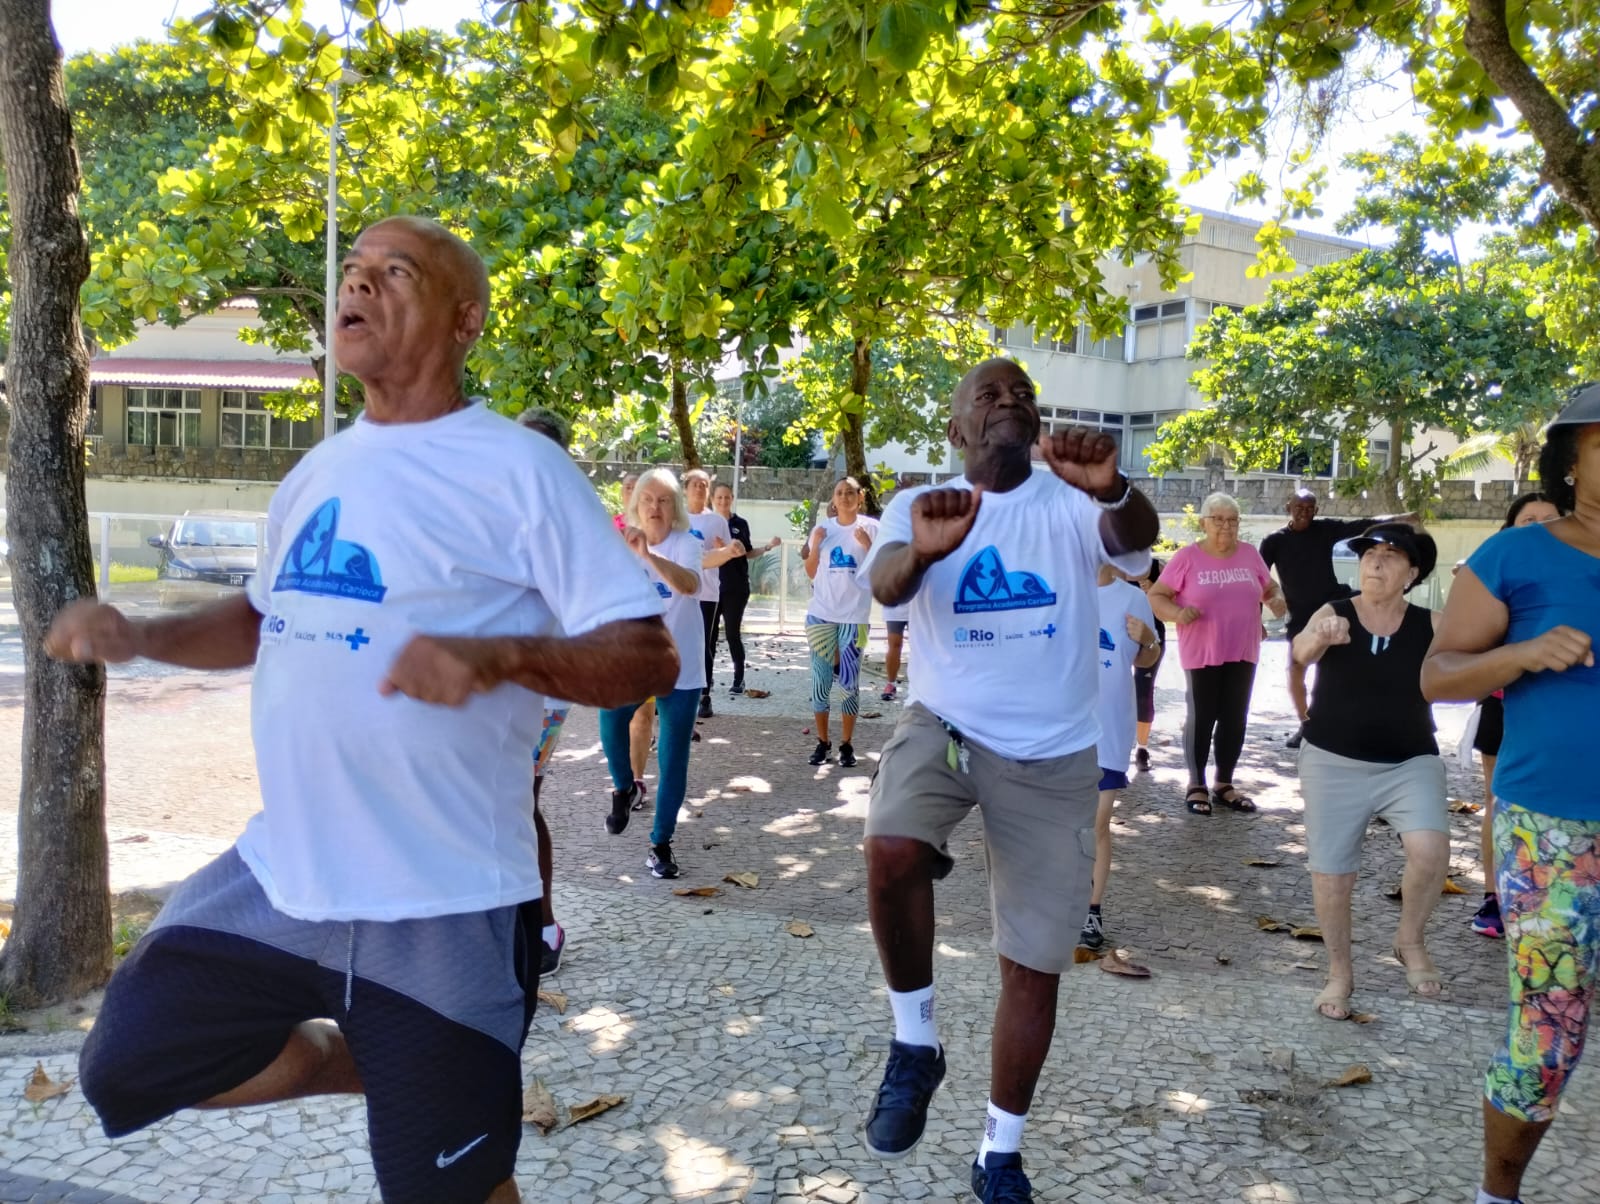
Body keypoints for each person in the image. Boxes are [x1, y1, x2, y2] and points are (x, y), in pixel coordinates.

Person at [52, 216, 678, 1204]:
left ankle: (423, 1080)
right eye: (353, 271)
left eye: (397, 272)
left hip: (444, 901)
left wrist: (501, 653)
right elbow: (262, 616)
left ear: (466, 319)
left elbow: (645, 652)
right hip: (281, 877)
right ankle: (373, 1066)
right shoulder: (317, 471)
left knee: (452, 1191)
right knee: (127, 1060)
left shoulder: (519, 468)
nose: (360, 286)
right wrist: (143, 637)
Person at [859, 357, 1157, 1204]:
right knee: (890, 848)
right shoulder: (919, 506)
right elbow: (885, 588)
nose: (1008, 402)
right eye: (987, 394)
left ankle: (1000, 1151)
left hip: (1054, 754)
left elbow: (1135, 538)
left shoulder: (1069, 501)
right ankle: (915, 1044)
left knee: (1033, 963)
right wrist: (919, 551)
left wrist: (1111, 486)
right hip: (945, 728)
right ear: (957, 428)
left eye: (1021, 393)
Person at [1421, 387, 1600, 1204]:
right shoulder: (1514, 559)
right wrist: (1524, 654)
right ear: (1569, 460)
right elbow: (1438, 676)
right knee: (1549, 1035)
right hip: (1554, 831)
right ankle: (1499, 1196)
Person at [1292, 523, 1447, 1020]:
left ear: (1412, 572)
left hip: (1410, 759)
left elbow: (1471, 665)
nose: (1376, 562)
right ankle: (1340, 974)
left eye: (1391, 555)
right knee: (1333, 875)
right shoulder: (1335, 611)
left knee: (1431, 849)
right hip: (1333, 759)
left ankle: (1409, 939)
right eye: (1369, 553)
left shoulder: (1432, 623)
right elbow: (1298, 653)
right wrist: (1318, 637)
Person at [1148, 492, 1287, 814]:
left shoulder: (1250, 555)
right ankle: (1196, 783)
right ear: (1204, 523)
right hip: (1203, 649)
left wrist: (1276, 599)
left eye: (1232, 519)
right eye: (1218, 519)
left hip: (1243, 647)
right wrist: (1177, 614)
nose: (1226, 526)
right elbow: (1157, 595)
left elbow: (1270, 587)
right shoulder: (1187, 558)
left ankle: (1224, 783)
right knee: (1202, 715)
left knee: (1234, 716)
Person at [599, 467, 707, 880]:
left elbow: (690, 585)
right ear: (635, 505)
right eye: (648, 499)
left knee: (674, 756)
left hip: (683, 664)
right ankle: (625, 786)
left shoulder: (688, 542)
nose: (655, 507)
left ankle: (661, 844)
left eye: (664, 500)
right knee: (610, 718)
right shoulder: (617, 547)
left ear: (675, 506)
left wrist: (649, 556)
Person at [1467, 491, 1562, 941]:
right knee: (1498, 803)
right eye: (1528, 519)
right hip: (1505, 704)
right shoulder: (1494, 578)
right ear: (1509, 529)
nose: (1539, 526)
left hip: (1568, 714)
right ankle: (1495, 897)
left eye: (1549, 518)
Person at [1260, 488, 1419, 748]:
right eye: (1299, 508)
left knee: (1340, 669)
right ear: (1288, 507)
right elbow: (1257, 577)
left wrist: (1402, 517)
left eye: (1309, 509)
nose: (1304, 513)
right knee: (1296, 670)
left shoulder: (1325, 530)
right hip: (1300, 616)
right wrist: (1262, 611)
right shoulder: (1274, 541)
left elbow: (1363, 524)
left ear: (1316, 511)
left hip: (1333, 609)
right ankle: (1306, 724)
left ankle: (1358, 722)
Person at [516, 405, 577, 975]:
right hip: (492, 685)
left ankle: (543, 924)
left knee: (518, 799)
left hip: (543, 691)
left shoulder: (570, 519)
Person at [1080, 563, 1161, 951]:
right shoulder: (1058, 587)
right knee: (1056, 824)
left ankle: (1091, 911)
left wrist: (1147, 641)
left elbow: (1146, 659)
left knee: (1096, 824)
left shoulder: (1133, 598)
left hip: (1109, 728)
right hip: (1059, 730)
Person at [803, 477, 879, 767]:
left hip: (854, 617)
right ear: (833, 500)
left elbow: (881, 570)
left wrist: (868, 545)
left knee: (849, 682)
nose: (845, 497)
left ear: (860, 497)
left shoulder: (872, 528)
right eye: (839, 493)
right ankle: (823, 742)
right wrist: (816, 545)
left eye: (850, 492)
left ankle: (847, 744)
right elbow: (811, 572)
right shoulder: (822, 530)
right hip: (821, 615)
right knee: (820, 683)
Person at [710, 480, 781, 695]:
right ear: (712, 499)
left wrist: (767, 547)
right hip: (711, 587)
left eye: (727, 497)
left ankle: (738, 678)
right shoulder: (707, 523)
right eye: (719, 497)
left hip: (736, 587)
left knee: (732, 633)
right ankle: (706, 679)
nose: (723, 501)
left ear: (732, 499)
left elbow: (746, 552)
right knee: (709, 635)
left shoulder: (740, 523)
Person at [684, 468, 742, 718]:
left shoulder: (717, 520)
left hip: (706, 591)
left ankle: (704, 695)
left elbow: (729, 553)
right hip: (677, 591)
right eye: (695, 484)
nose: (699, 488)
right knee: (675, 640)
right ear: (685, 488)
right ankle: (670, 690)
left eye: (704, 485)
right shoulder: (675, 519)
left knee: (703, 644)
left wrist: (723, 550)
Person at [1127, 557, 1166, 771]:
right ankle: (1114, 745)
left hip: (1151, 636)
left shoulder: (1157, 567)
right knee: (1113, 690)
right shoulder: (1112, 566)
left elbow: (1176, 602)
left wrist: (1154, 594)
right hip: (1118, 635)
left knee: (1144, 691)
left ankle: (1142, 748)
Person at [880, 600, 910, 701]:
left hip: (919, 606)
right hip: (894, 607)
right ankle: (891, 684)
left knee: (919, 646)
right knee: (894, 645)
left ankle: (921, 687)